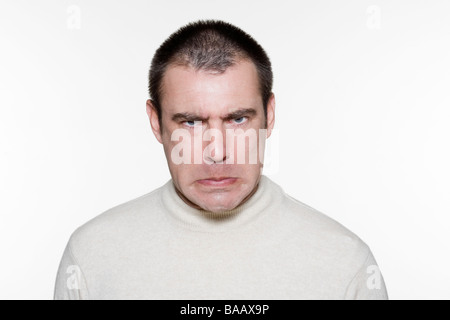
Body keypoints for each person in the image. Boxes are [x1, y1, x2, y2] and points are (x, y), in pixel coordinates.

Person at [54, 19, 388, 300]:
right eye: (191, 122)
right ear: (156, 122)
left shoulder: (345, 262)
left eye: (237, 119)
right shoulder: (91, 255)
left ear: (269, 115)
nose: (217, 151)